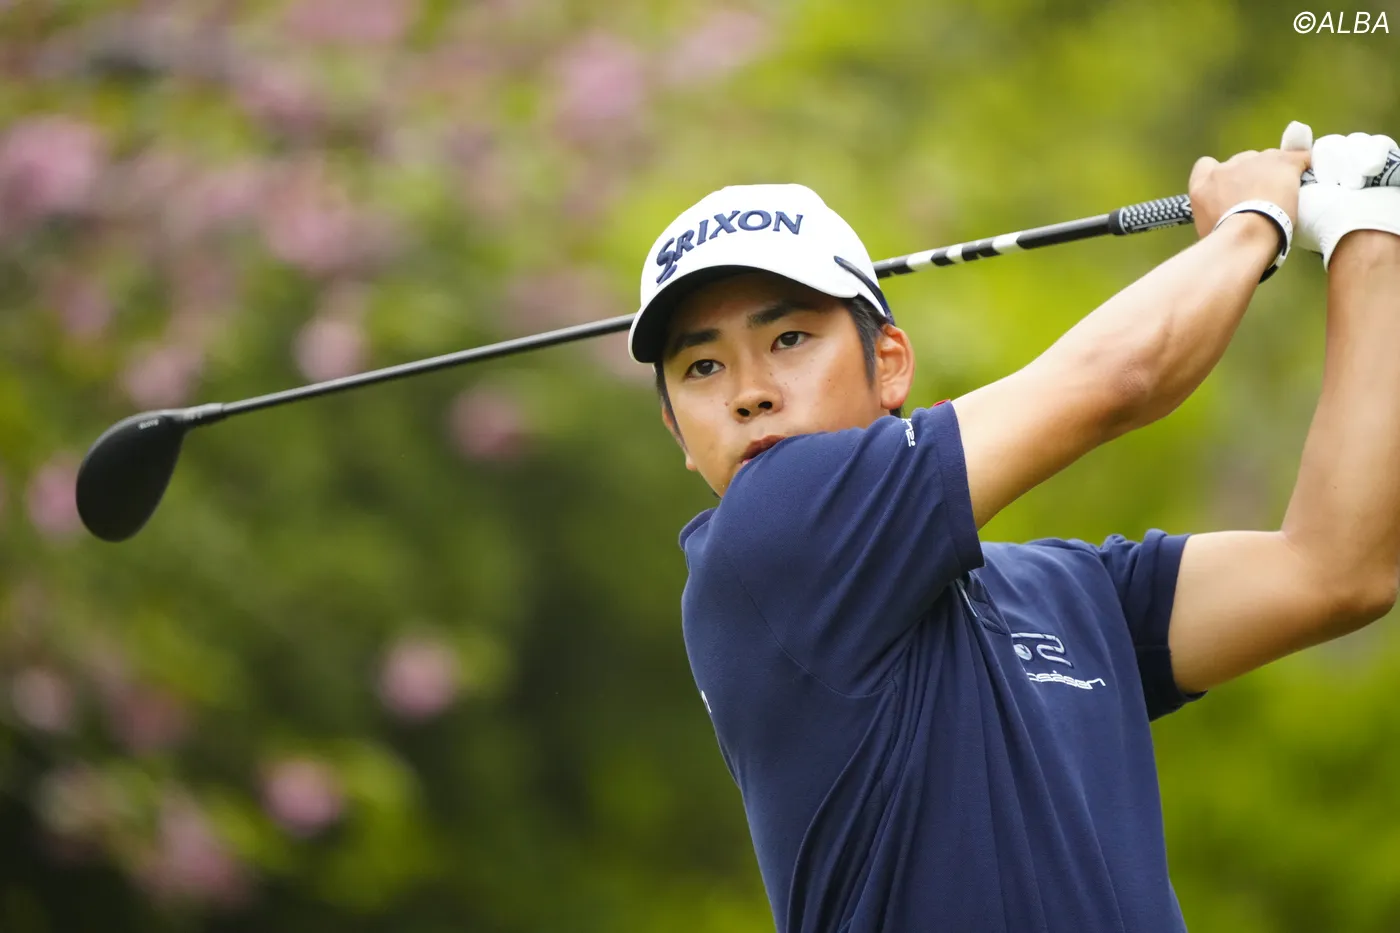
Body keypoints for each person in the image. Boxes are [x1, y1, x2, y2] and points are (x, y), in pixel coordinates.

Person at [625, 122, 1400, 933]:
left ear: (888, 363)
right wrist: (1253, 221)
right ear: (678, 430)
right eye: (702, 365)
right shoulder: (766, 541)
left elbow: (1335, 571)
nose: (749, 392)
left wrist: (1370, 234)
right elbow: (1118, 379)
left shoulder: (1063, 589)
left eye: (788, 338)